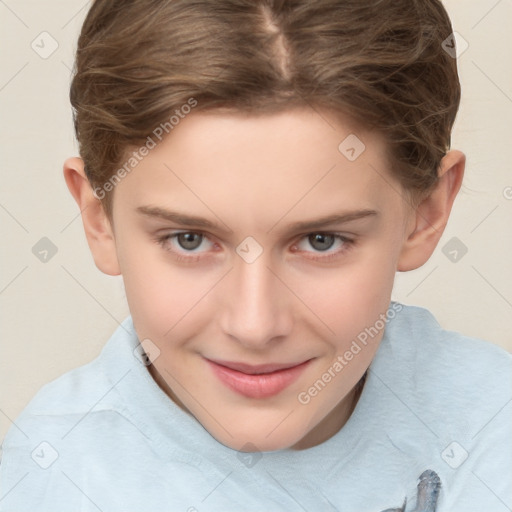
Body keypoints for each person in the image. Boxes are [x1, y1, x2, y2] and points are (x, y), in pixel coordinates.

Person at [1, 1, 510, 511]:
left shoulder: (492, 429)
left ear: (426, 212)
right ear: (100, 222)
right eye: (189, 240)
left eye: (321, 241)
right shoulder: (49, 479)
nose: (254, 325)